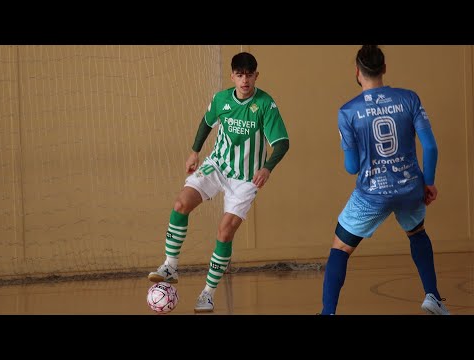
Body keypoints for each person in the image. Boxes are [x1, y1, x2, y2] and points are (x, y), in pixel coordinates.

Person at [148, 52, 289, 312]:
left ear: (256, 75)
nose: (244, 80)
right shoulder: (221, 99)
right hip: (217, 165)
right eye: (239, 74)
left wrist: (267, 168)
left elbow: (282, 143)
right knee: (181, 203)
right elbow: (207, 122)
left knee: (224, 232)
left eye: (249, 74)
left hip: (246, 179)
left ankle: (207, 293)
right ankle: (170, 266)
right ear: (232, 76)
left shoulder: (265, 105)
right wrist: (194, 151)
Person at [320, 45, 449, 315]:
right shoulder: (409, 99)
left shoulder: (348, 112)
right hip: (410, 187)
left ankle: (328, 312)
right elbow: (432, 147)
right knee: (417, 233)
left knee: (340, 248)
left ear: (357, 72)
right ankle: (432, 296)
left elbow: (352, 167)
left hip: (371, 193)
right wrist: (429, 181)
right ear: (384, 68)